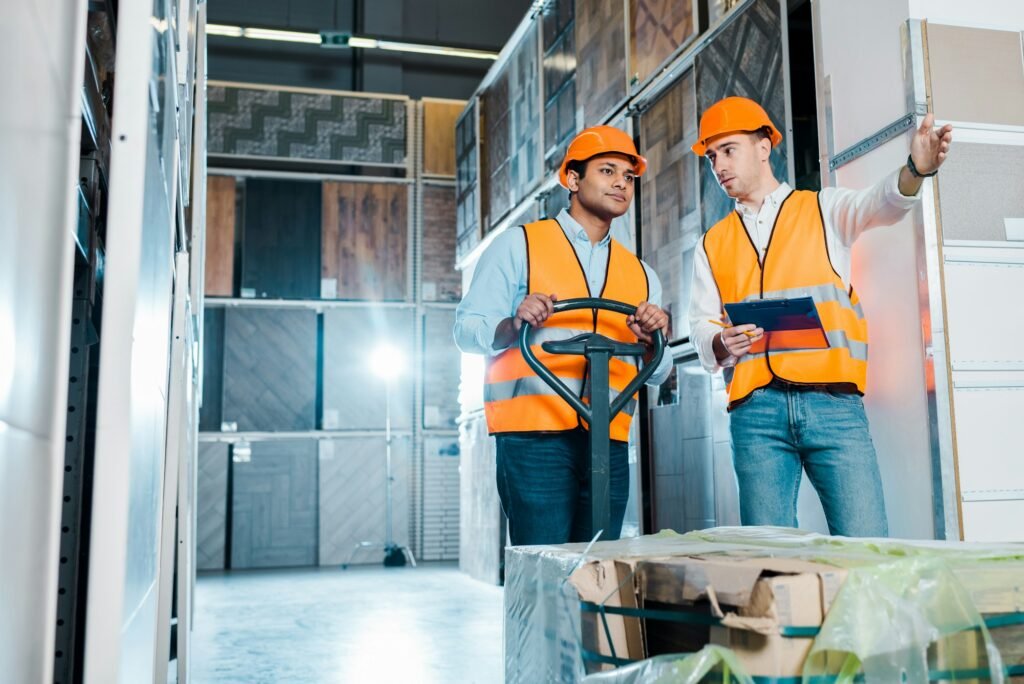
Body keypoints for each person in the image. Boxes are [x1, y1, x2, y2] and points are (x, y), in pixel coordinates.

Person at [687, 96, 953, 537]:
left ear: (763, 147)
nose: (718, 165)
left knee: (865, 544)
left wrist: (916, 169)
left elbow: (882, 202)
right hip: (755, 414)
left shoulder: (823, 209)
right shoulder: (712, 242)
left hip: (833, 407)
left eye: (728, 150)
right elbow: (701, 323)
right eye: (712, 156)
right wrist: (718, 343)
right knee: (770, 561)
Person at [454, 125, 671, 546]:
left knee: (598, 572)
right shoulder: (519, 246)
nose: (621, 184)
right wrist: (513, 325)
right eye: (607, 171)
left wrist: (652, 340)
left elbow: (659, 373)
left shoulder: (642, 275)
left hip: (606, 441)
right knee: (543, 570)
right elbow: (466, 330)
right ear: (572, 179)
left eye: (628, 177)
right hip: (534, 438)